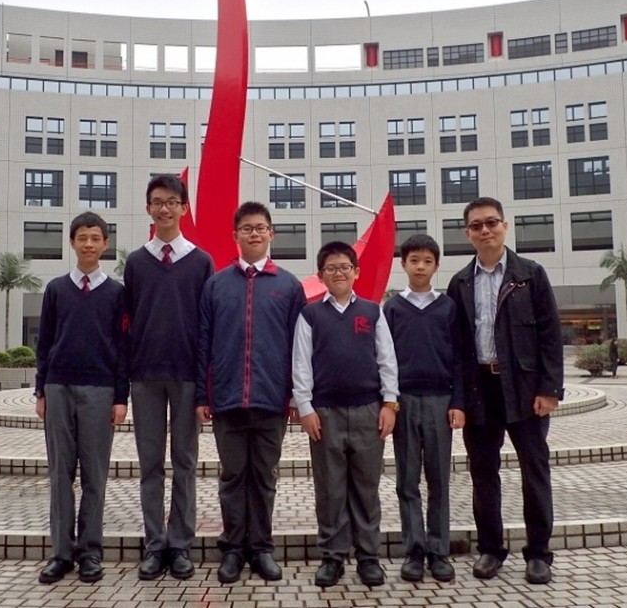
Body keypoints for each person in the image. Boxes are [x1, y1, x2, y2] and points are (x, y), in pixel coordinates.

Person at [446, 197, 563, 585]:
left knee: (534, 469)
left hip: (524, 388)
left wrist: (549, 389)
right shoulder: (460, 282)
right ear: (467, 233)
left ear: (504, 226)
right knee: (483, 472)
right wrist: (458, 399)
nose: (485, 230)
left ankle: (539, 553)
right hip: (480, 388)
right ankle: (491, 549)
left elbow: (550, 335)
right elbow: (456, 348)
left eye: (491, 222)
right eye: (476, 225)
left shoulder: (530, 274)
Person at [196, 202, 307, 583]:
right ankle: (232, 549)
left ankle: (260, 548)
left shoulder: (289, 286)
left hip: (271, 400)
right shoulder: (216, 285)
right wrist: (202, 396)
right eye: (247, 228)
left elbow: (299, 347)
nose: (254, 233)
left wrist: (295, 395)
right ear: (236, 235)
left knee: (263, 477)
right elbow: (204, 343)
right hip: (227, 399)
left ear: (271, 234)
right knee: (232, 476)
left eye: (260, 228)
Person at [292, 241, 399, 588]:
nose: (338, 273)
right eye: (331, 268)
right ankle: (332, 557)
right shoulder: (310, 315)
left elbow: (387, 360)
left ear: (356, 272)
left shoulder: (372, 311)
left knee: (367, 488)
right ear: (320, 275)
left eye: (344, 267)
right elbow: (301, 364)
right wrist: (305, 407)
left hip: (369, 411)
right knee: (330, 489)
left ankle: (368, 557)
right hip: (325, 414)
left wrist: (389, 404)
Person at [124, 175, 215, 581]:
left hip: (186, 377)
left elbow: (208, 326)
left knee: (184, 462)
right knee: (150, 465)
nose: (164, 209)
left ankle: (180, 545)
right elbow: (128, 321)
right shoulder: (136, 262)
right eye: (157, 202)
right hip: (145, 376)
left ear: (184, 208)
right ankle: (154, 545)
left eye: (172, 202)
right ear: (148, 208)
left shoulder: (201, 261)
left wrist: (205, 384)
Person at [34, 212, 129, 585]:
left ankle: (90, 552)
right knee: (60, 474)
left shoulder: (117, 294)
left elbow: (122, 348)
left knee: (94, 475)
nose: (88, 244)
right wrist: (40, 390)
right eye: (82, 237)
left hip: (100, 391)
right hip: (58, 388)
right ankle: (61, 553)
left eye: (95, 238)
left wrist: (120, 397)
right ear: (72, 242)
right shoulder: (56, 290)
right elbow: (44, 343)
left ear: (105, 244)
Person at [382, 234, 464, 583]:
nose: (420, 267)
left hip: (440, 402)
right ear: (403, 264)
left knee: (439, 479)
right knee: (407, 480)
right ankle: (414, 551)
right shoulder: (392, 308)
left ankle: (439, 551)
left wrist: (458, 402)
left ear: (436, 266)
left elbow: (460, 358)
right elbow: (383, 359)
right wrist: (388, 402)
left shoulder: (448, 307)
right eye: (414, 260)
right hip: (403, 402)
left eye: (427, 261)